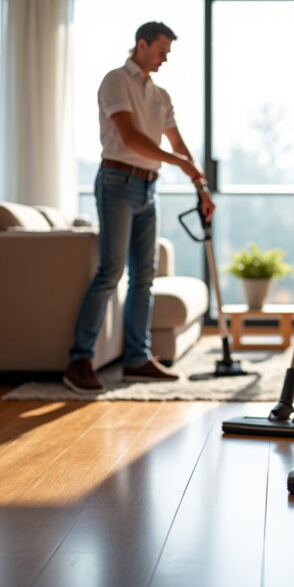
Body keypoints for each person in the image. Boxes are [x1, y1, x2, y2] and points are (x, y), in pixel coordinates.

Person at [63, 21, 214, 394]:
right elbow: (129, 137)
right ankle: (78, 360)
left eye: (168, 53)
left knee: (145, 275)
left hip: (149, 187)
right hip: (117, 182)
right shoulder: (116, 81)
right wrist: (181, 165)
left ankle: (137, 359)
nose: (165, 58)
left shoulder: (160, 94)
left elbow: (177, 143)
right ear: (142, 44)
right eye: (161, 51)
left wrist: (201, 185)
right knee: (112, 270)